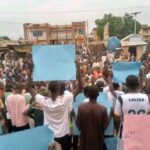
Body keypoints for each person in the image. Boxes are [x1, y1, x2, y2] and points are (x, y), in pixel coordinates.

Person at [31, 81, 73, 150]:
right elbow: (80, 87)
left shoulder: (44, 101)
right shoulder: (65, 99)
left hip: (49, 135)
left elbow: (29, 88)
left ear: (49, 90)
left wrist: (30, 73)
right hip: (64, 133)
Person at [114, 75, 150, 149]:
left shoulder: (121, 98)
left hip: (125, 133)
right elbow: (148, 114)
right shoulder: (146, 97)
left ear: (126, 85)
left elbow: (116, 118)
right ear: (138, 84)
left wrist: (118, 130)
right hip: (142, 132)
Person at [76, 85, 108, 150]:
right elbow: (104, 127)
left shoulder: (81, 108)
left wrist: (73, 115)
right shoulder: (103, 109)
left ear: (87, 94)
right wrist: (110, 115)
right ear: (98, 94)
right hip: (98, 143)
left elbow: (78, 126)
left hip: (85, 142)